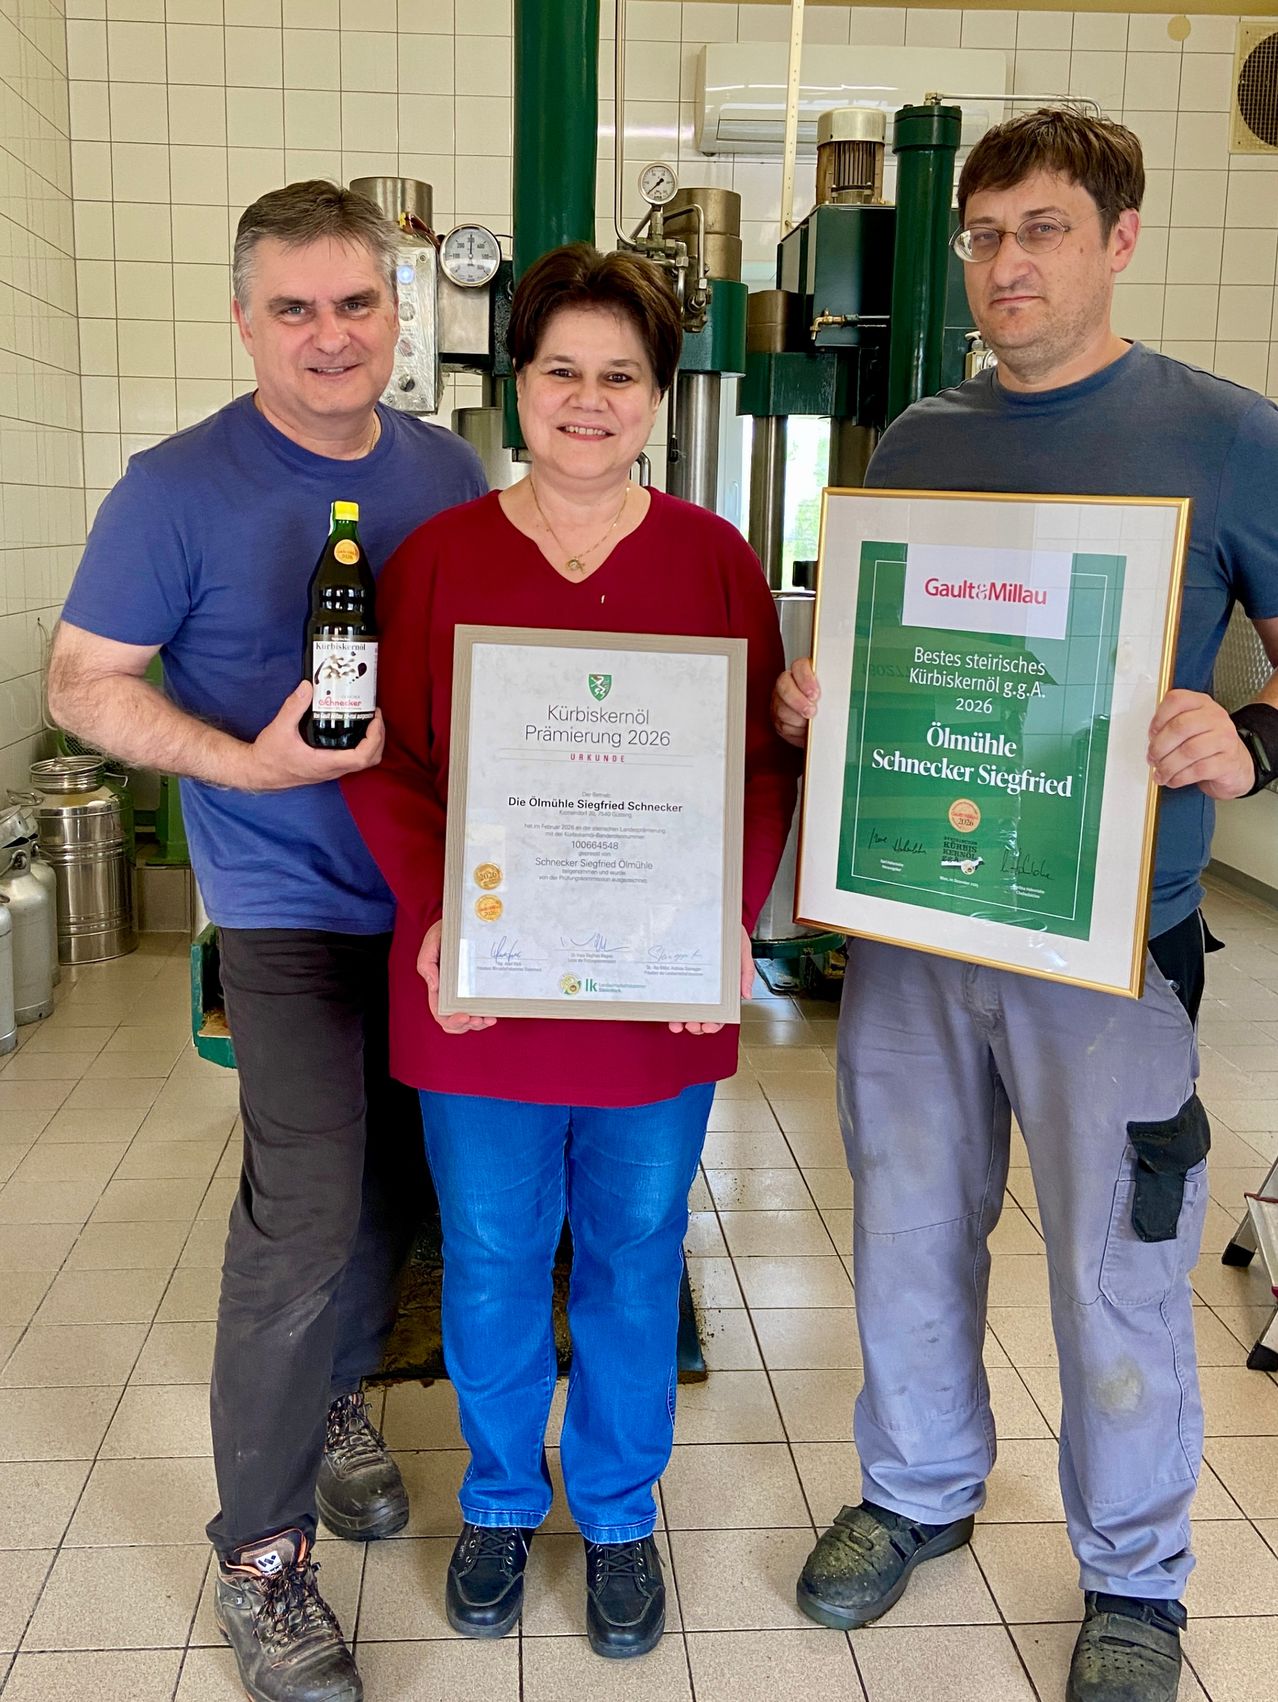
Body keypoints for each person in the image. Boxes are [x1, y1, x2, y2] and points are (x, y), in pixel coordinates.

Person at [773, 109, 1278, 1702]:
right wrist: (827, 706)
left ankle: (1134, 1578)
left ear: (1119, 239)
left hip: (1108, 944)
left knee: (1112, 1264)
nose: (1005, 262)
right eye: (983, 234)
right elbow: (915, 669)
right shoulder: (917, 439)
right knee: (909, 1222)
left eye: (1041, 229)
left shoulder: (1225, 434)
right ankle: (915, 1487)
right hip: (920, 931)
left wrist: (1246, 741)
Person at [46, 181, 486, 1702]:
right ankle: (261, 1556)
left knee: (408, 1185)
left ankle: (340, 1396)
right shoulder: (174, 489)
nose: (326, 335)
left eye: (355, 303)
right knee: (304, 1205)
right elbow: (83, 683)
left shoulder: (449, 468)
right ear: (243, 320)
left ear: (396, 315)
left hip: (442, 905)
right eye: (291, 307)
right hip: (289, 906)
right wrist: (247, 762)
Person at [343, 242, 797, 1661]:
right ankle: (493, 1494)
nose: (587, 402)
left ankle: (611, 1507)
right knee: (484, 1249)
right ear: (516, 388)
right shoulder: (439, 561)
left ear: (657, 395)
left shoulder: (713, 560)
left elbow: (755, 771)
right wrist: (438, 927)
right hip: (479, 991)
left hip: (654, 996)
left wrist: (724, 914)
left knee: (634, 1248)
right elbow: (386, 763)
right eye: (561, 372)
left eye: (620, 376)